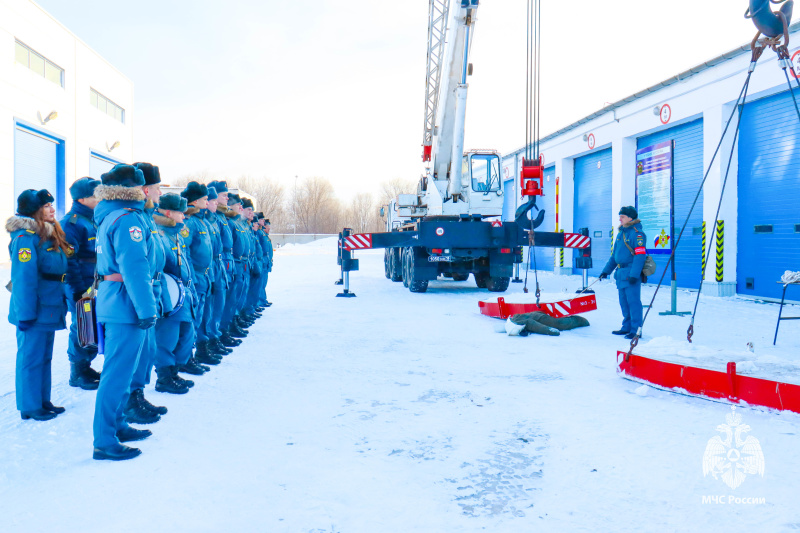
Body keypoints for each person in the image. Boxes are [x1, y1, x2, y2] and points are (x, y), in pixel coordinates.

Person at [92, 164, 158, 460]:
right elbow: (135, 267)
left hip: (119, 301)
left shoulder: (112, 215)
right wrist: (146, 308)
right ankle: (104, 441)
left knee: (124, 371)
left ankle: (117, 423)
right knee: (117, 374)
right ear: (138, 190)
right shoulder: (127, 219)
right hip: (126, 304)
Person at [7, 189, 70, 421]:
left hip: (49, 305)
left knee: (44, 356)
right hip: (34, 309)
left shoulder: (47, 234)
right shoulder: (26, 238)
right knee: (30, 358)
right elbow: (24, 280)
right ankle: (30, 406)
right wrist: (25, 315)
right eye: (46, 206)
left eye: (52, 205)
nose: (52, 209)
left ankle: (42, 400)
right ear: (34, 210)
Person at [123, 162, 168, 424]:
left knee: (148, 350)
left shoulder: (146, 216)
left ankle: (137, 394)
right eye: (158, 188)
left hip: (153, 289)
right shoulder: (131, 218)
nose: (160, 193)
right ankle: (129, 401)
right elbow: (134, 264)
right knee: (135, 352)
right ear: (145, 189)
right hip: (138, 294)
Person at [153, 193, 202, 393]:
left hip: (183, 293)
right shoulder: (160, 234)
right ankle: (164, 377)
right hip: (169, 296)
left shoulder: (175, 234)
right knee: (167, 337)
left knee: (185, 334)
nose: (184, 216)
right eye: (180, 212)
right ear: (168, 213)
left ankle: (174, 372)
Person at [61, 177, 102, 390]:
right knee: (82, 326)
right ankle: (77, 372)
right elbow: (69, 260)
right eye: (96, 195)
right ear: (83, 198)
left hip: (94, 283)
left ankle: (86, 365)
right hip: (81, 284)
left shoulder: (92, 219)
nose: (100, 198)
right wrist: (77, 289)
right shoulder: (71, 223)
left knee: (92, 326)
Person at [180, 182, 219, 366]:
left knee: (202, 315)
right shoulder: (190, 221)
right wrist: (191, 277)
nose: (208, 201)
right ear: (195, 201)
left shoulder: (201, 220)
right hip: (195, 277)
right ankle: (187, 357)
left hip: (204, 275)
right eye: (204, 199)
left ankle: (197, 352)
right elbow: (185, 250)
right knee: (192, 320)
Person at [600, 206, 647, 340]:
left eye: (622, 217)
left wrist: (635, 274)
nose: (620, 219)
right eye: (620, 216)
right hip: (621, 274)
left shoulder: (637, 234)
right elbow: (614, 256)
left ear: (630, 218)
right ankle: (626, 327)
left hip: (630, 273)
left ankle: (636, 330)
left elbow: (640, 256)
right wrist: (606, 271)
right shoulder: (621, 234)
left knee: (633, 302)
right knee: (624, 302)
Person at [207, 180, 240, 349]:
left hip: (224, 261)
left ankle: (219, 334)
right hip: (216, 262)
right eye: (223, 195)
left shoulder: (221, 216)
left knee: (222, 301)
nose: (227, 198)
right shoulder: (211, 217)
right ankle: (211, 338)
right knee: (213, 305)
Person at [199, 186, 231, 357]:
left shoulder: (213, 220)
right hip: (206, 268)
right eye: (212, 200)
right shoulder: (200, 221)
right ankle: (205, 343)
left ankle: (213, 338)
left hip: (216, 265)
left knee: (216, 304)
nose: (218, 202)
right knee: (205, 310)